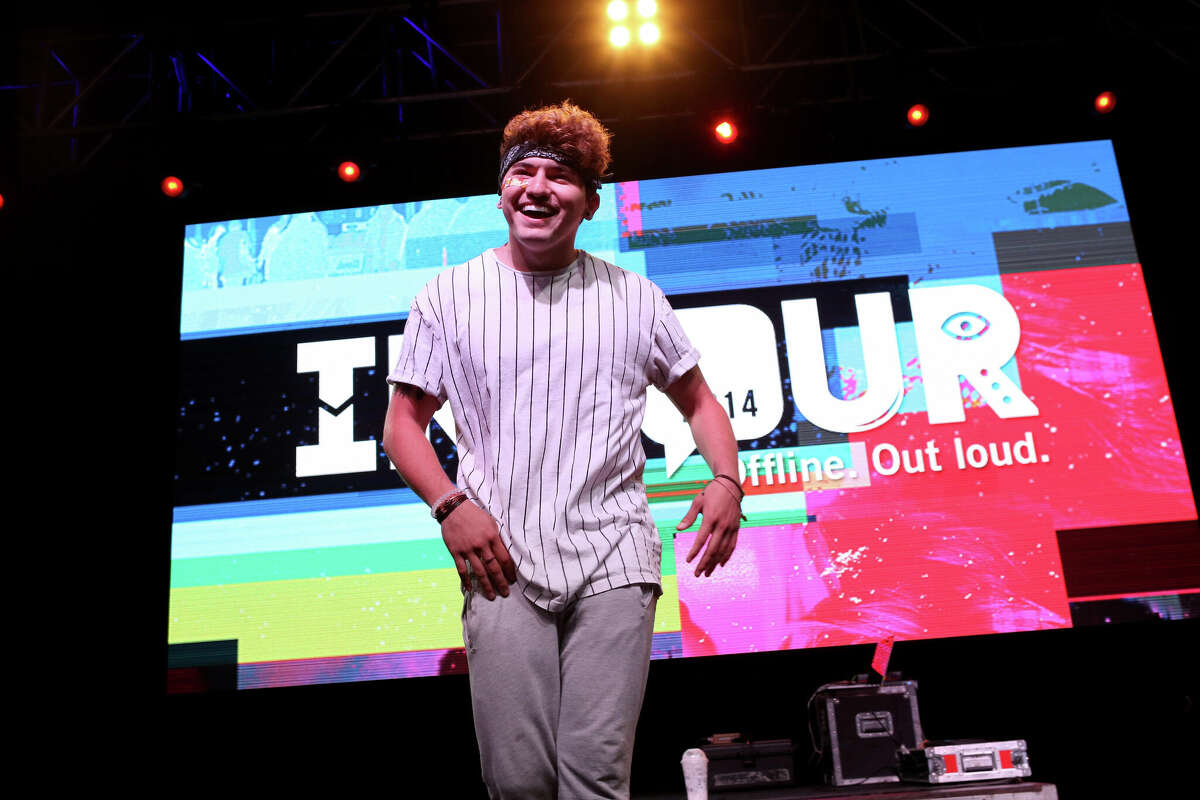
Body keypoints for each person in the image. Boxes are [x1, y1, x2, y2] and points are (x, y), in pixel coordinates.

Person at [382, 101, 743, 800]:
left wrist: (726, 479)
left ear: (590, 202)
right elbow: (402, 425)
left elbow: (698, 401)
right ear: (501, 192)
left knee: (595, 776)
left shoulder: (634, 298)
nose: (538, 187)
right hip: (501, 563)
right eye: (524, 172)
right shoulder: (449, 296)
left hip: (614, 555)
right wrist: (451, 505)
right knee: (518, 783)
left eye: (560, 176)